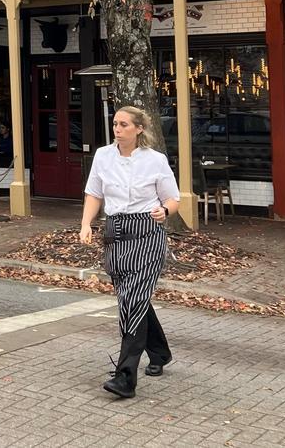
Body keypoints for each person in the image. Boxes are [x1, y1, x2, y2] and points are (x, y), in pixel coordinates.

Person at [79, 105, 180, 399]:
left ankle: (125, 377)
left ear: (139, 129)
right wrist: (86, 224)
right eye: (115, 124)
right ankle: (159, 353)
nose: (118, 129)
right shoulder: (102, 156)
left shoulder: (155, 160)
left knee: (133, 301)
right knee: (131, 300)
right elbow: (94, 193)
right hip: (116, 234)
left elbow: (173, 198)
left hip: (147, 234)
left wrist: (164, 211)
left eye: (124, 124)